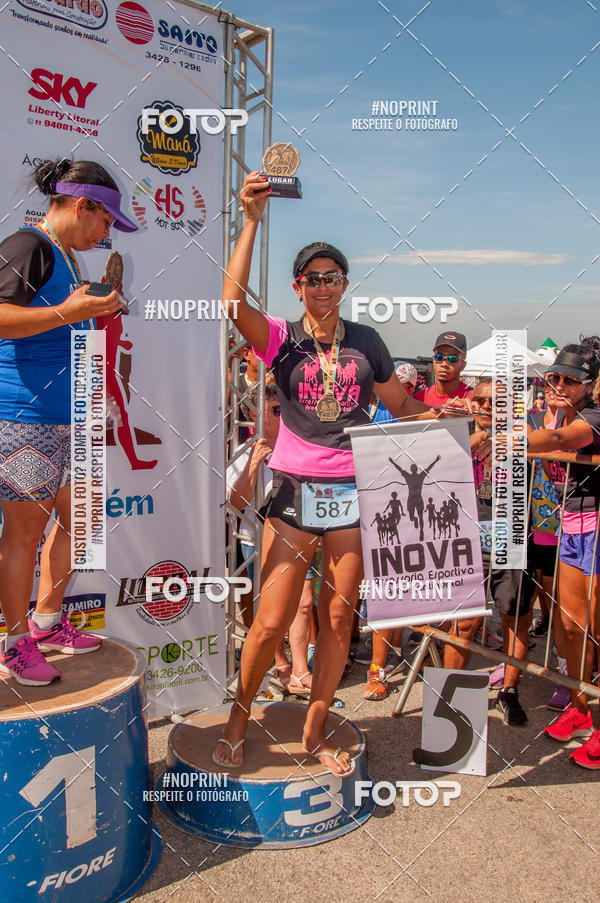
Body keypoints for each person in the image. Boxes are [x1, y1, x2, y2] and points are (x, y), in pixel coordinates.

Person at [213, 171, 437, 772]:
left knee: (339, 614)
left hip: (353, 487)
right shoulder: (282, 338)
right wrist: (252, 220)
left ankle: (316, 725)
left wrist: (449, 411)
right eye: (311, 279)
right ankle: (239, 716)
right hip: (293, 485)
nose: (321, 286)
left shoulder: (366, 339)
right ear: (298, 286)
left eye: (331, 278)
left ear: (344, 283)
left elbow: (403, 404)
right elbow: (232, 302)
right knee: (270, 620)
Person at [0, 158, 137, 685]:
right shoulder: (27, 245)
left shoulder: (64, 256)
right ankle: (13, 644)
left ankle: (46, 622)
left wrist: (89, 309)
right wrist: (70, 313)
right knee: (23, 535)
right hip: (25, 416)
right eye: (105, 221)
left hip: (68, 416)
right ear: (82, 205)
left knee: (81, 519)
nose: (106, 233)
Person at [443, 377, 536, 725]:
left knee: (514, 617)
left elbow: (538, 436)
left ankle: (509, 691)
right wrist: (478, 437)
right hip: (468, 536)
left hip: (511, 537)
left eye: (494, 403)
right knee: (463, 622)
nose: (485, 409)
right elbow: (435, 458)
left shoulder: (523, 433)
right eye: (480, 402)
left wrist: (502, 437)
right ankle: (451, 702)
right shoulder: (463, 431)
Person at [527, 338, 600, 768]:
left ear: (590, 385)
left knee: (595, 627)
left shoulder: (592, 415)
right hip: (571, 522)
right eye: (553, 377)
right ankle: (579, 705)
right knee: (570, 626)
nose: (558, 385)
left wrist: (514, 439)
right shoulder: (559, 409)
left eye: (570, 380)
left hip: (596, 522)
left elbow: (557, 438)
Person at [227, 383, 312, 694]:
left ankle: (301, 669)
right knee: (270, 610)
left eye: (287, 408)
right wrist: (253, 465)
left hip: (300, 533)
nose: (284, 415)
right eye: (277, 410)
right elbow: (235, 504)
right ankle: (279, 661)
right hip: (259, 542)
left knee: (303, 604)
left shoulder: (303, 442)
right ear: (253, 414)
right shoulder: (243, 451)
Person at [414, 332, 472, 407]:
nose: (444, 364)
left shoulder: (472, 399)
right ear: (433, 361)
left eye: (452, 359)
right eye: (439, 357)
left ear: (463, 365)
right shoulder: (420, 398)